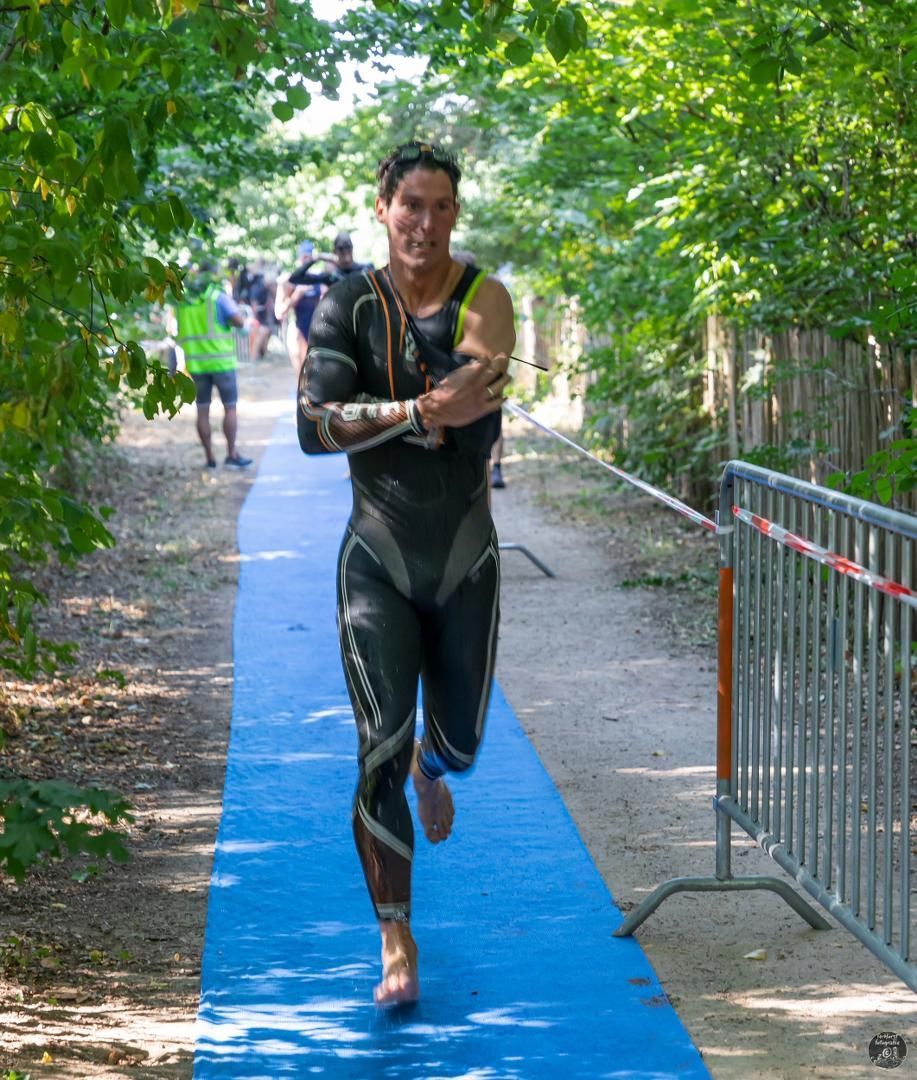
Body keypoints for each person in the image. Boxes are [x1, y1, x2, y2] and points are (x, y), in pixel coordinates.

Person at [297, 141, 515, 1007]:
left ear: (455, 214)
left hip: (465, 554)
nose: (422, 222)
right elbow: (315, 428)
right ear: (382, 208)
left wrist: (406, 412)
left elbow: (478, 405)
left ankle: (435, 764)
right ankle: (396, 937)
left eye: (439, 206)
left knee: (455, 743)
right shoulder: (345, 303)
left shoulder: (484, 297)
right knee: (376, 745)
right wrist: (419, 408)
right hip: (375, 557)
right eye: (408, 205)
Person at [175, 260, 253, 470]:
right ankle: (231, 455)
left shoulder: (183, 302)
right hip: (221, 364)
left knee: (202, 411)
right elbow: (238, 321)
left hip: (196, 366)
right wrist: (246, 325)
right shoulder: (217, 297)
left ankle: (210, 459)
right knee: (230, 408)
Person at [278, 241, 337, 373]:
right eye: (304, 257)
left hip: (316, 330)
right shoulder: (289, 280)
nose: (306, 260)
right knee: (301, 376)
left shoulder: (318, 279)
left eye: (309, 257)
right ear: (298, 258)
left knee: (316, 375)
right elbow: (279, 312)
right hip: (297, 330)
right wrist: (297, 295)